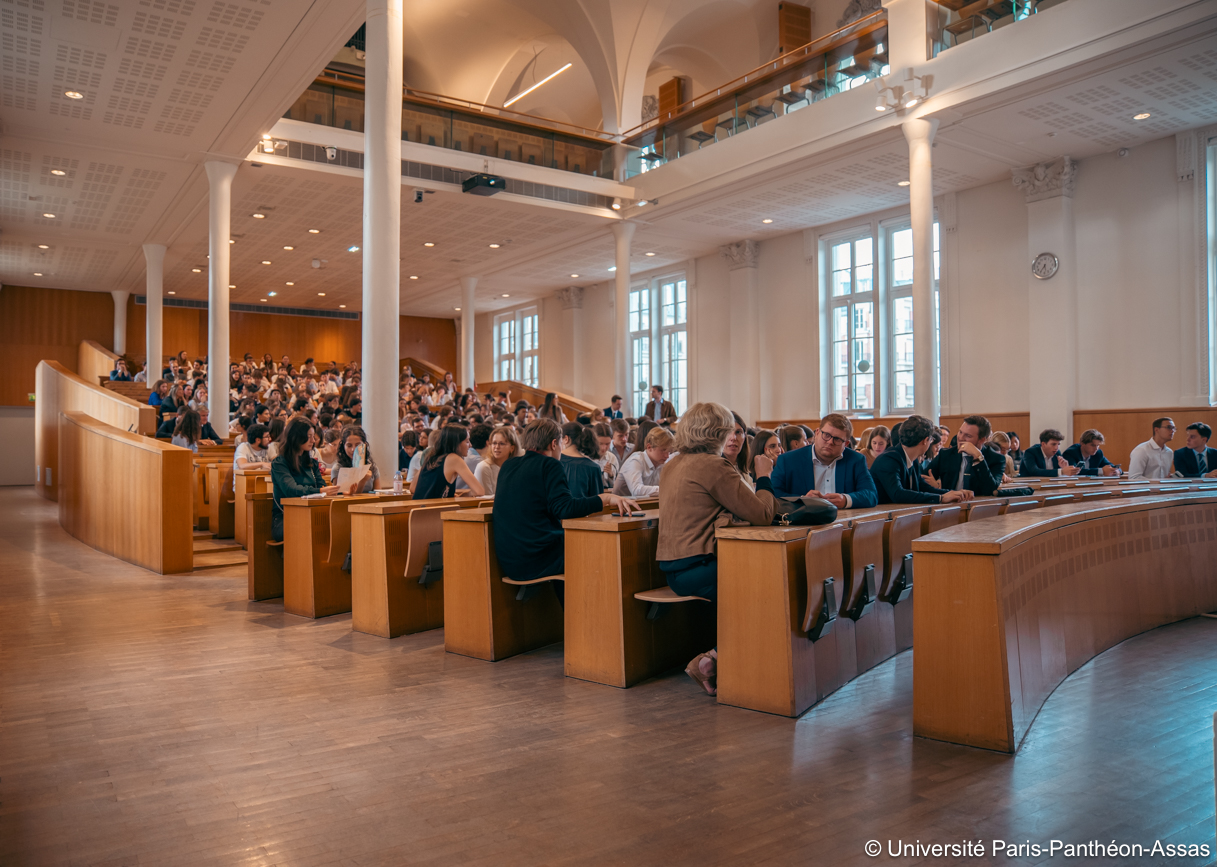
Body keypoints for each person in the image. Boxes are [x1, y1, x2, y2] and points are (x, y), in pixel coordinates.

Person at [655, 402, 778, 696]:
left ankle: (718, 660)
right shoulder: (713, 465)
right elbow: (762, 514)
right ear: (720, 432)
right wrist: (764, 475)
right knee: (769, 587)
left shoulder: (672, 463)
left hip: (675, 568)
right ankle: (713, 662)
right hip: (699, 567)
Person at [492, 419, 638, 598]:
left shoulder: (509, 464)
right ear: (554, 443)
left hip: (510, 558)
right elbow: (565, 508)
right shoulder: (549, 464)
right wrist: (605, 498)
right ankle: (586, 620)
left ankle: (570, 617)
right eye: (560, 443)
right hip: (535, 558)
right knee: (599, 554)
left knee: (572, 549)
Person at [770, 413, 877, 509]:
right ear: (817, 433)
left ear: (846, 444)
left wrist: (845, 500)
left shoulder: (856, 460)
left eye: (837, 439)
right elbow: (773, 494)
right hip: (802, 523)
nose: (830, 442)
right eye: (826, 435)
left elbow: (871, 494)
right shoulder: (788, 460)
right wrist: (803, 500)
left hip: (843, 522)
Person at [871, 415, 974, 505]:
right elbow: (897, 494)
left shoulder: (913, 459)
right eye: (931, 440)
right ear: (925, 441)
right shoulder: (888, 459)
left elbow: (923, 487)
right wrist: (940, 498)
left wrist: (954, 493)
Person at [270, 418, 342, 542]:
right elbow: (291, 490)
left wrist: (339, 492)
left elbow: (322, 487)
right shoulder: (279, 463)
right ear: (296, 437)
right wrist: (320, 490)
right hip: (285, 517)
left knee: (339, 526)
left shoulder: (311, 463)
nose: (313, 441)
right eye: (309, 436)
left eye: (313, 436)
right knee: (311, 529)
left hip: (312, 513)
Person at [928, 416, 1006, 496]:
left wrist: (979, 457)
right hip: (950, 505)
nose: (960, 438)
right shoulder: (946, 454)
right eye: (960, 432)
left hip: (980, 505)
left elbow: (990, 490)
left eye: (968, 436)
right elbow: (923, 479)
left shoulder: (996, 459)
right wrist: (937, 487)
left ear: (982, 440)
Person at [413, 425, 485, 499]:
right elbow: (479, 491)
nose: (470, 445)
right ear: (456, 443)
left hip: (417, 507)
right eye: (467, 441)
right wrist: (466, 495)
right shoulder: (454, 459)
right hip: (433, 509)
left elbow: (412, 488)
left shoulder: (431, 456)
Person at [614, 426, 675, 497]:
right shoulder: (636, 461)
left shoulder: (662, 462)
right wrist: (665, 489)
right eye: (663, 450)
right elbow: (636, 490)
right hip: (619, 506)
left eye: (669, 452)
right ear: (649, 447)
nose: (667, 456)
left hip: (645, 504)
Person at [560, 422, 605, 499]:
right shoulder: (593, 467)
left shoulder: (552, 461)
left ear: (566, 439)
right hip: (583, 510)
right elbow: (598, 502)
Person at [333, 425, 378, 494]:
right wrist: (362, 481)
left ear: (364, 445)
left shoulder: (371, 466)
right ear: (343, 446)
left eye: (358, 445)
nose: (353, 449)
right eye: (349, 445)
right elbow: (339, 497)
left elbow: (378, 493)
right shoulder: (338, 468)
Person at [475, 427, 518, 496]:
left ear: (512, 448)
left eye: (502, 444)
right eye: (494, 443)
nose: (497, 447)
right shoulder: (483, 467)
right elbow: (485, 501)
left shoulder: (516, 467)